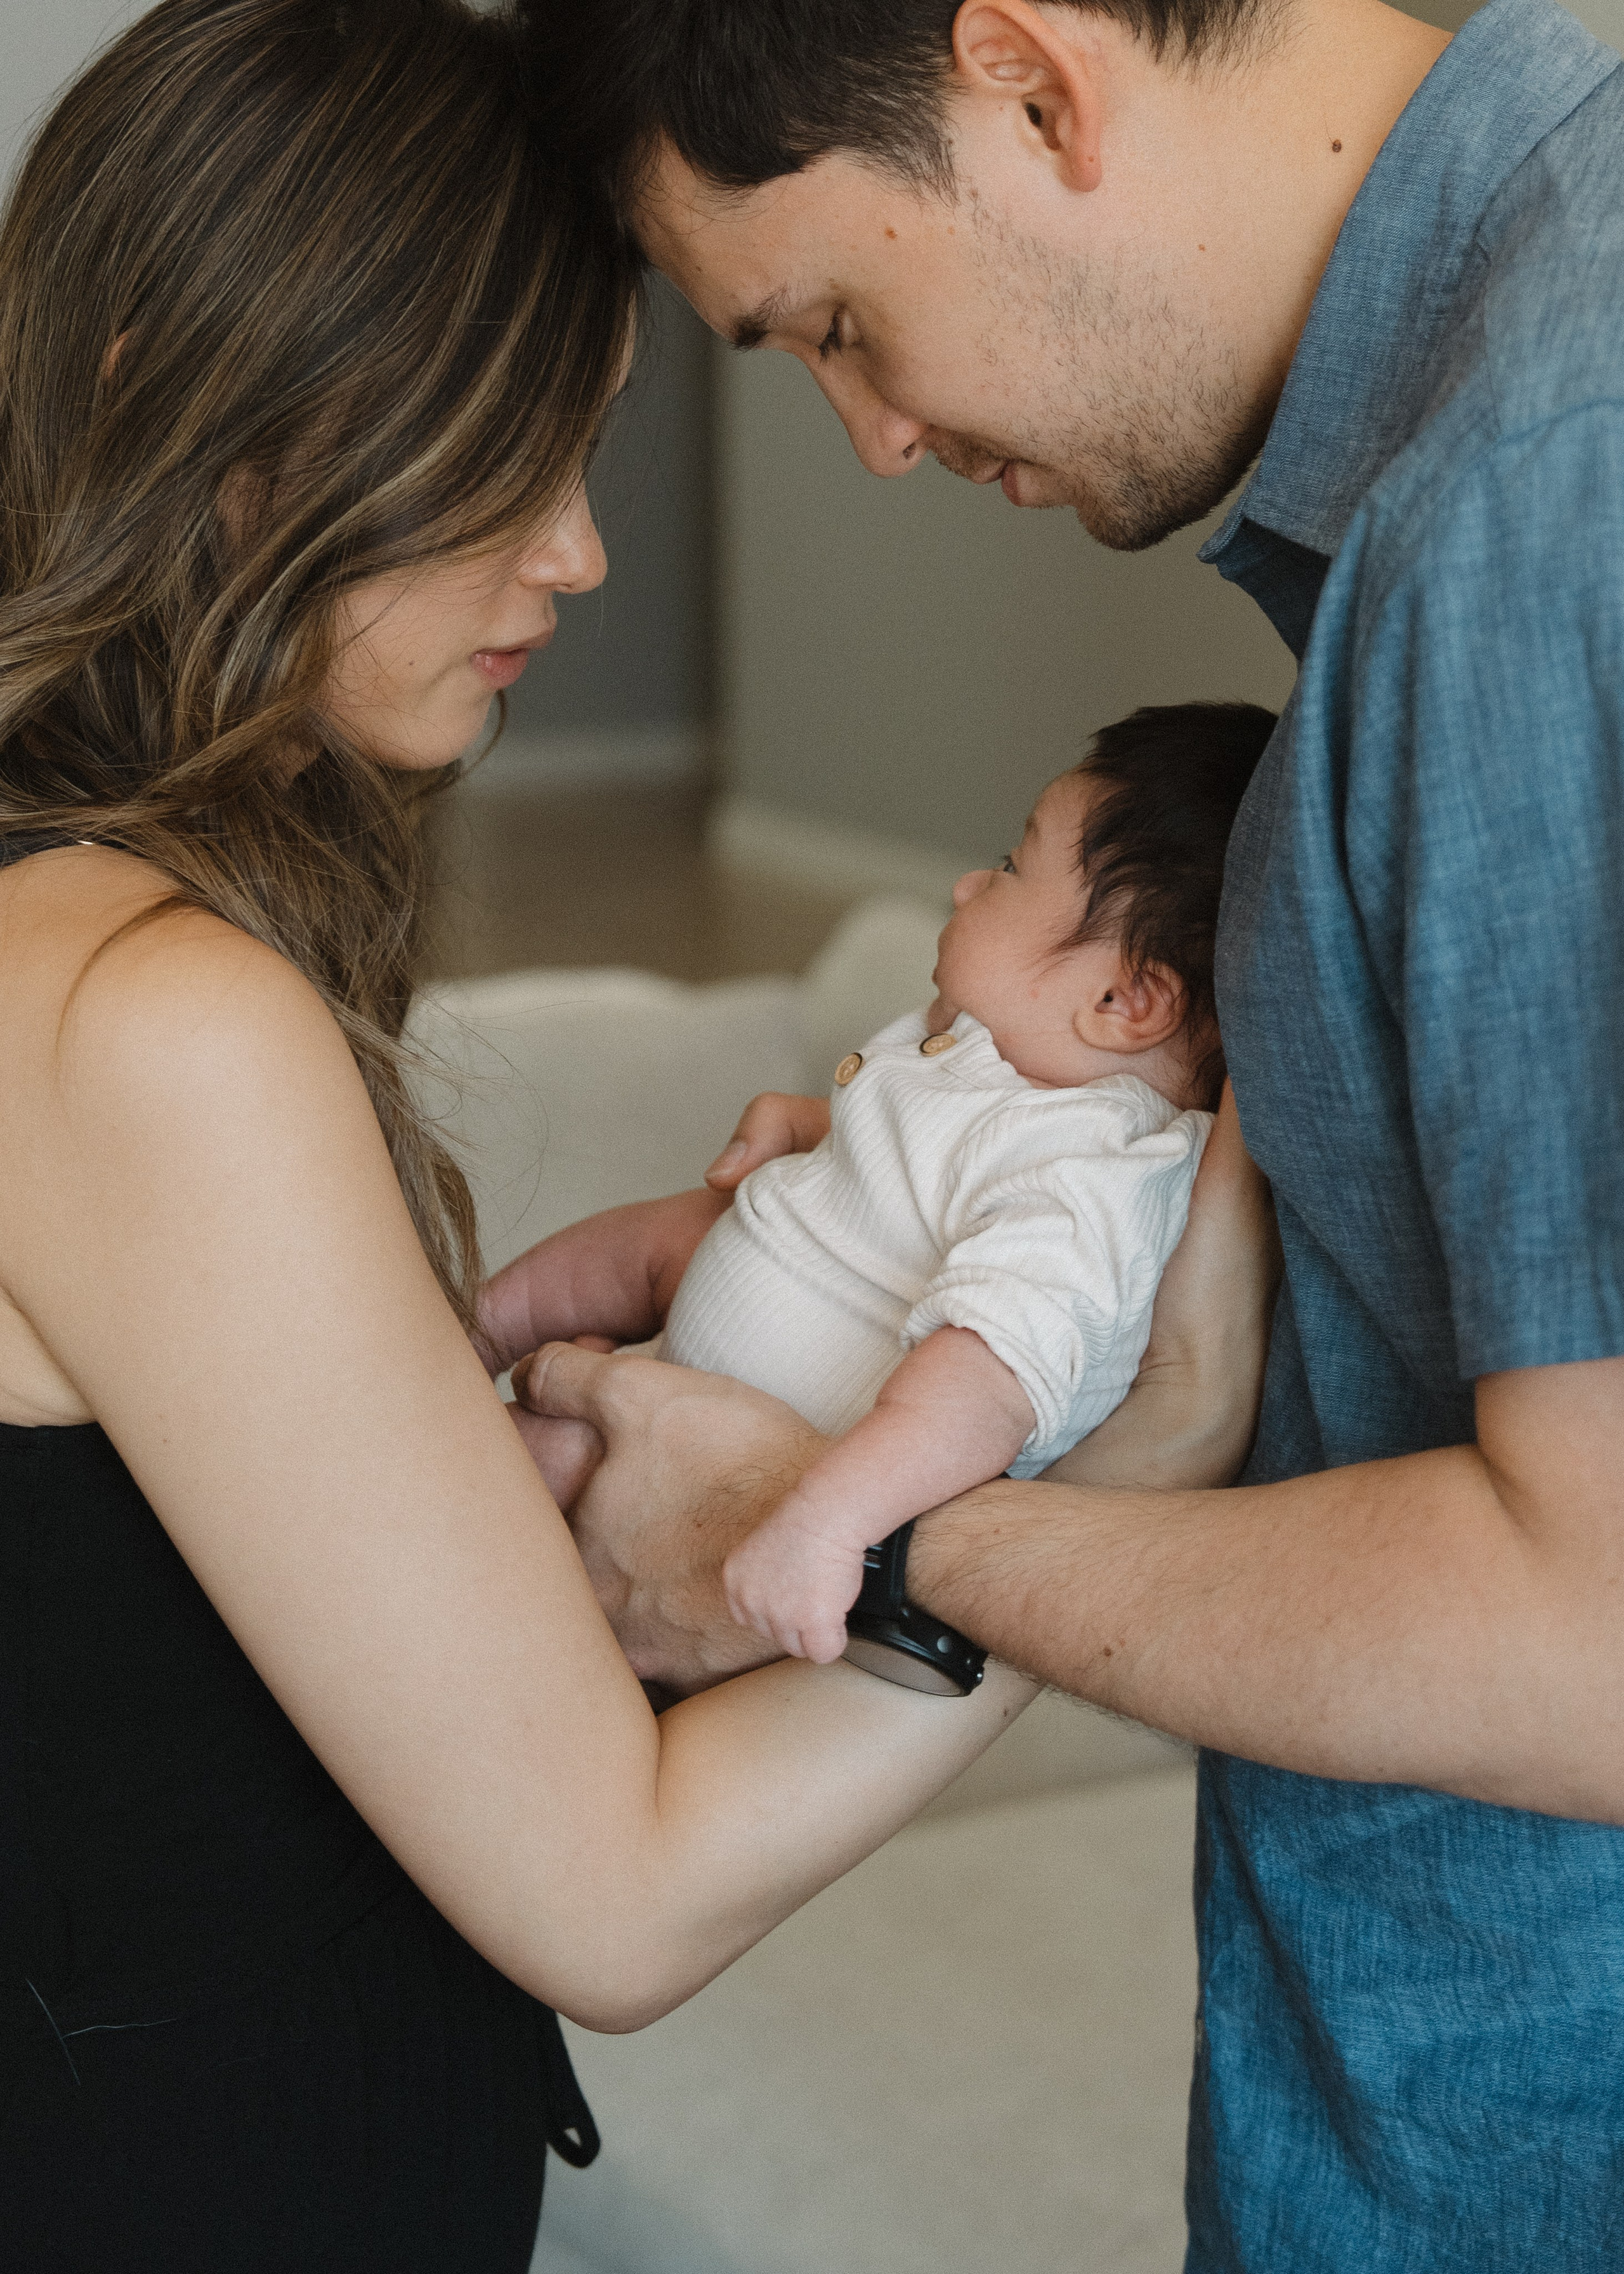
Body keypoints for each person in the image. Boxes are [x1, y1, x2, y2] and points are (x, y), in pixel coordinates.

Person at [510, 0, 1624, 2263]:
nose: (880, 439)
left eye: (836, 320)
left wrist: (863, 1536)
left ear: (1029, 79)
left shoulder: (1527, 515)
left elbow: (1596, 1638)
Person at [0, 5, 1056, 2266]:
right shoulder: (145, 1014)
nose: (576, 556)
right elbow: (619, 1887)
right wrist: (1072, 1473)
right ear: (208, 423)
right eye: (503, 462)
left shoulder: (57, 915)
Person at [483, 701, 1273, 1665]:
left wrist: (827, 1524)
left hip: (745, 1474)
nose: (969, 882)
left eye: (1012, 868)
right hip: (756, 1294)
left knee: (524, 1460)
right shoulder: (1007, 1060)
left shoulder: (1092, 1177)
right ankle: (472, 1321)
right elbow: (937, 1167)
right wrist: (829, 1133)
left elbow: (984, 1382)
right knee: (664, 1234)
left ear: (1123, 1001)